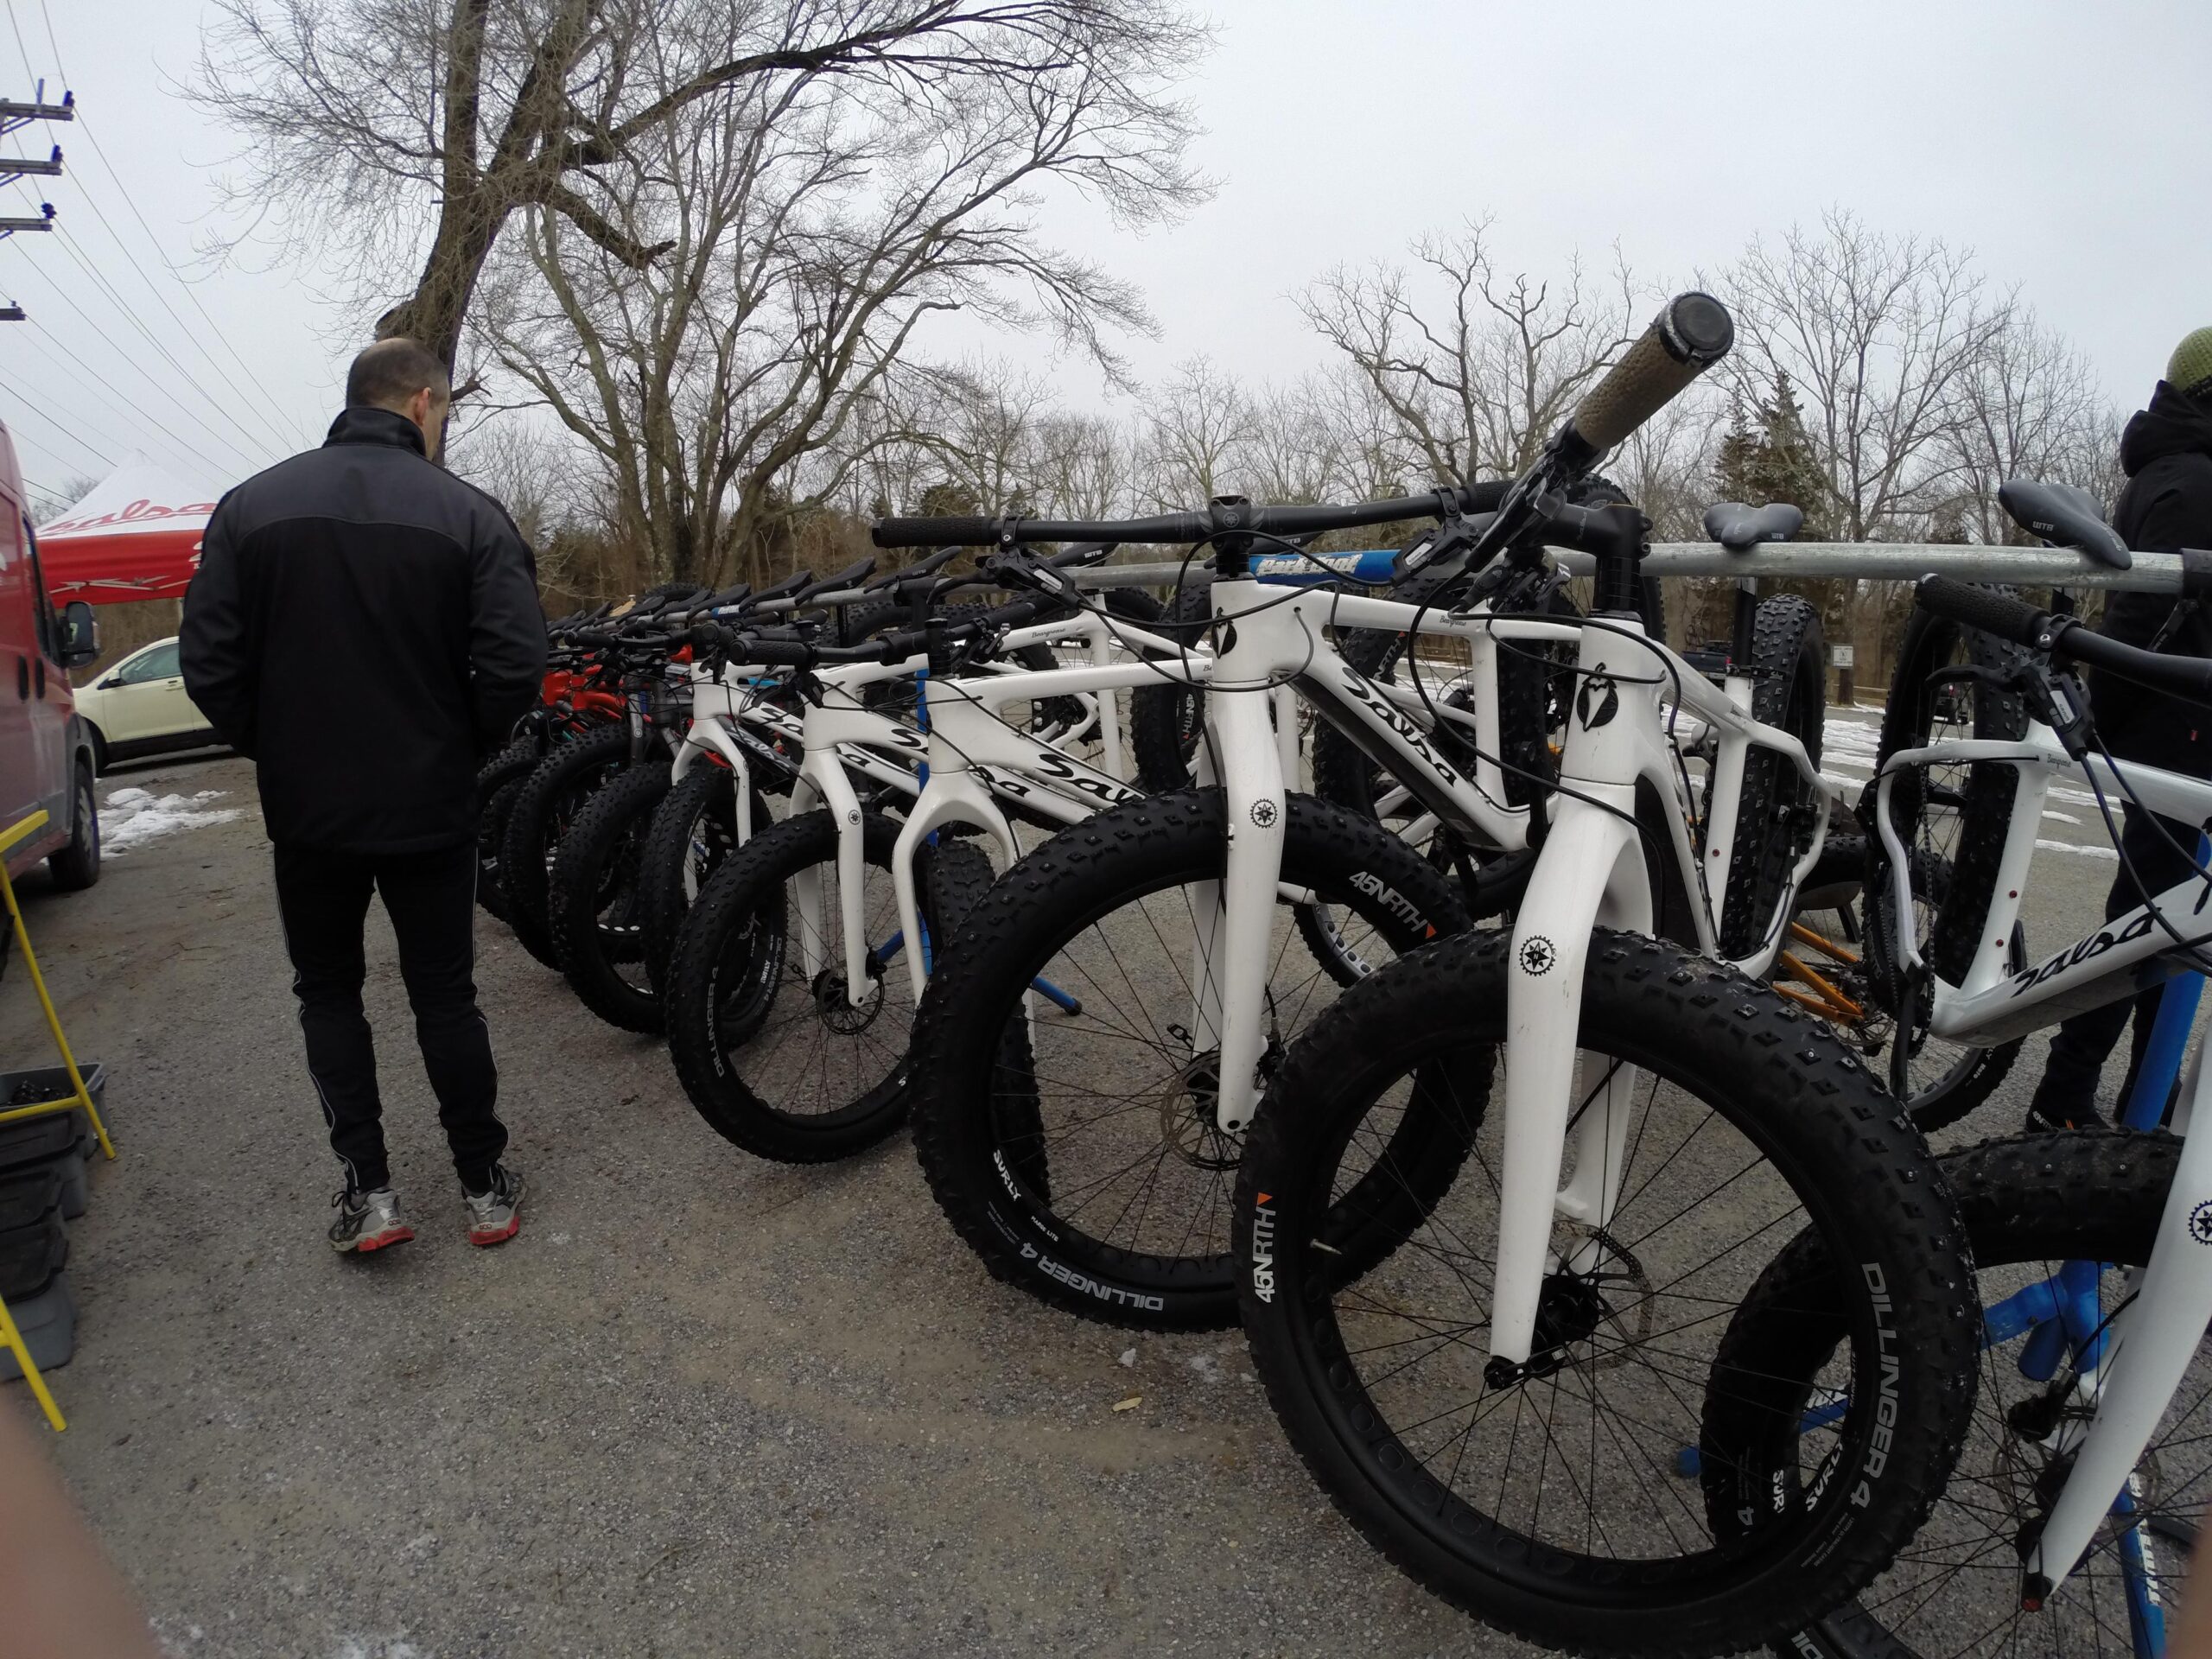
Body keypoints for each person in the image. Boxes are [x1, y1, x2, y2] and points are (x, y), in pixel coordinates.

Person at [180, 338, 547, 1250]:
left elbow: (209, 664)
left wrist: (278, 747)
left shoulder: (249, 507)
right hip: (429, 798)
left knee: (329, 992)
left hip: (312, 810)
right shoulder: (467, 513)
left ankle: (371, 1193)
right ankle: (481, 1186)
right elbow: (513, 661)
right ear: (422, 403)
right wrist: (461, 742)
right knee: (443, 993)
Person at [2028, 327, 2212, 1129]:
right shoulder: (2194, 478)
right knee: (2152, 921)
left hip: (2173, 723)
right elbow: (2144, 615)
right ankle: (2069, 1097)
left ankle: (2142, 1089)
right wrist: (2122, 712)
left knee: (2158, 916)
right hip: (2180, 726)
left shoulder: (2175, 466)